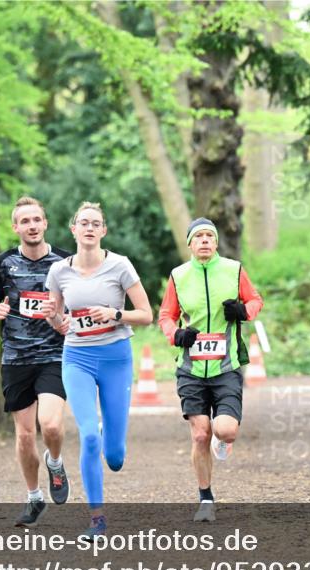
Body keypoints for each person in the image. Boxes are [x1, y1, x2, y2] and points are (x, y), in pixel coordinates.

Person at [44, 202, 153, 539]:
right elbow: (58, 321)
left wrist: (115, 314)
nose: (89, 228)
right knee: (89, 436)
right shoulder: (59, 272)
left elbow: (146, 314)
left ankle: (110, 433)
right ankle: (96, 518)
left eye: (96, 223)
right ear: (73, 230)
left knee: (115, 457)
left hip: (116, 359)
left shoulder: (120, 265)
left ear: (103, 231)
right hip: (77, 358)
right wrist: (53, 317)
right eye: (84, 223)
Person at [158, 218, 263, 522]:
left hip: (226, 366)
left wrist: (243, 311)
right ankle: (205, 499)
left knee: (225, 430)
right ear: (190, 244)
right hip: (190, 368)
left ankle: (222, 437)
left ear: (216, 242)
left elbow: (255, 300)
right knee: (200, 434)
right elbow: (166, 315)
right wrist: (176, 335)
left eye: (209, 236)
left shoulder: (233, 270)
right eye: (198, 236)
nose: (204, 240)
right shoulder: (179, 275)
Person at [0, 196, 72, 527]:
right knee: (23, 435)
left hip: (54, 355)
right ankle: (34, 497)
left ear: (45, 223)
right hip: (16, 358)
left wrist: (64, 319)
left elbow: (78, 307)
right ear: (15, 227)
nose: (32, 226)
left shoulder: (65, 262)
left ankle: (55, 463)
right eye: (25, 221)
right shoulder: (4, 263)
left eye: (36, 220)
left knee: (50, 425)